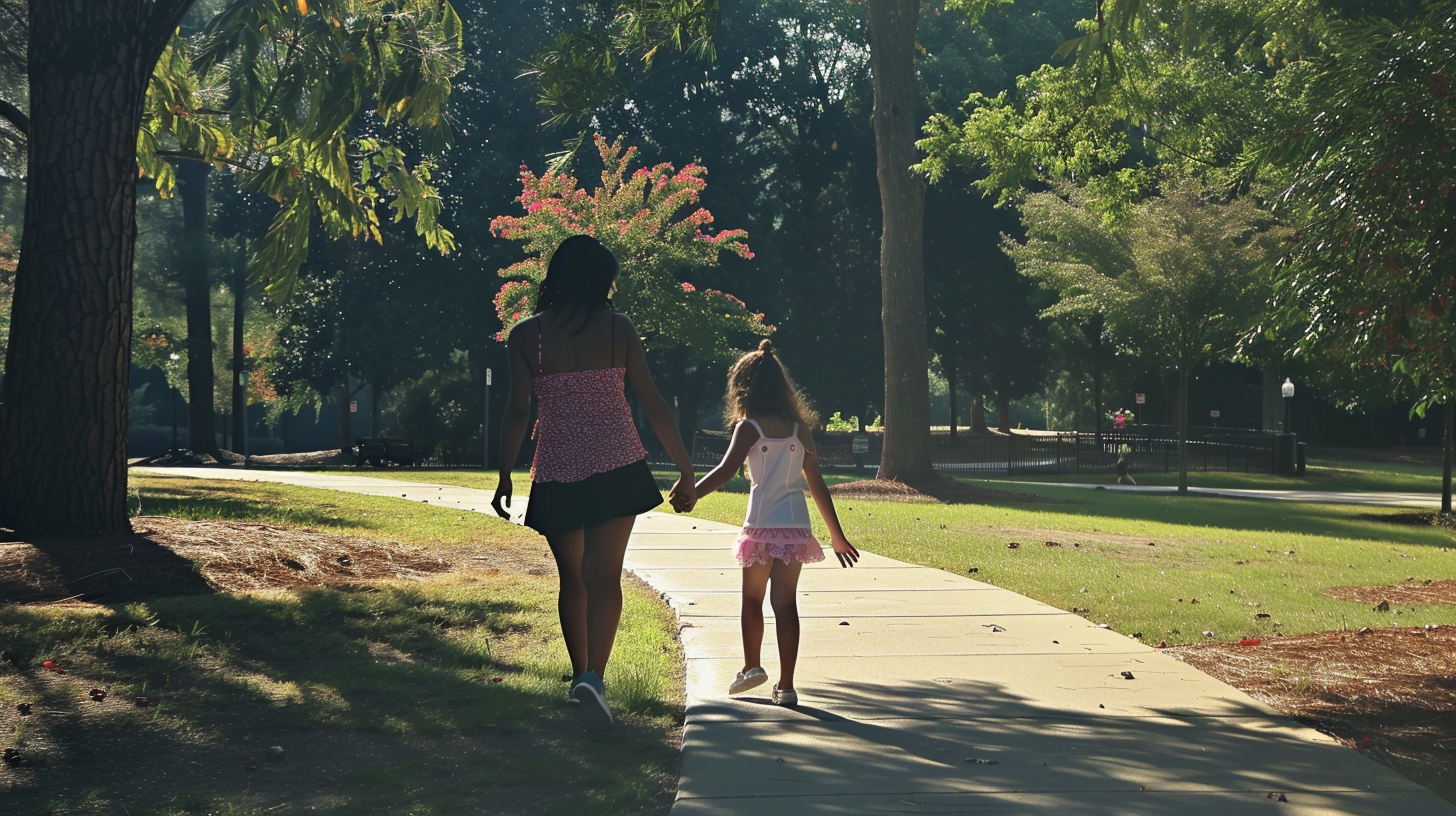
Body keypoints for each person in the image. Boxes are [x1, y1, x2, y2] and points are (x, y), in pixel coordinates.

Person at [491, 234, 696, 730]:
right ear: (601, 280)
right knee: (605, 576)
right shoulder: (617, 329)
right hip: (617, 463)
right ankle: (595, 680)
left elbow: (519, 409)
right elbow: (651, 401)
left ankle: (581, 673)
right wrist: (686, 469)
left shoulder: (526, 336)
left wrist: (503, 474)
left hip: (557, 468)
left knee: (574, 579)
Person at [693, 339, 859, 707]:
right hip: (796, 526)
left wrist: (693, 492)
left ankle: (752, 666)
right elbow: (816, 484)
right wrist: (837, 536)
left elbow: (725, 470)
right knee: (785, 603)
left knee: (752, 599)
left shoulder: (748, 426)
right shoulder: (801, 430)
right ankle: (786, 686)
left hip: (761, 524)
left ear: (743, 387)